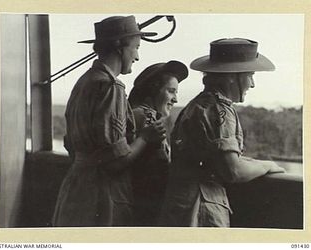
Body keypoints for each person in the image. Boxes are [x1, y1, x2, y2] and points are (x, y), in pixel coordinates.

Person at [52, 15, 167, 227]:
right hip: (102, 198)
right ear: (119, 47)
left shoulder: (84, 82)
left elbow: (73, 146)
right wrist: (145, 137)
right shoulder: (111, 87)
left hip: (76, 188)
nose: (138, 57)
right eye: (136, 48)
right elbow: (116, 161)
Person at [159, 38, 286, 227]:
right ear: (231, 76)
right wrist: (267, 166)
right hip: (201, 210)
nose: (252, 84)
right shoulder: (219, 110)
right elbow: (233, 171)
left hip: (184, 205)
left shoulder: (199, 105)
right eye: (250, 75)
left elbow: (219, 159)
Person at [128, 61, 189, 226]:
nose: (175, 99)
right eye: (171, 91)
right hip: (143, 205)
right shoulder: (147, 117)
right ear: (153, 89)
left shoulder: (137, 113)